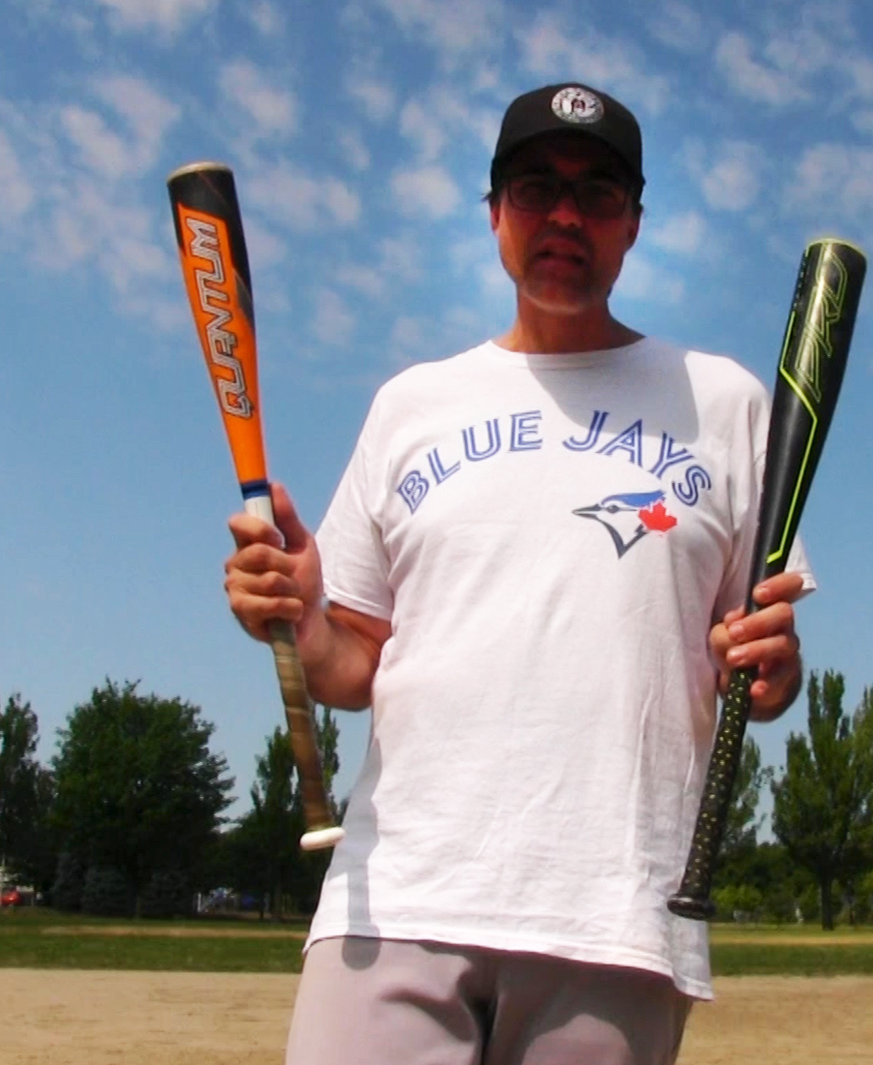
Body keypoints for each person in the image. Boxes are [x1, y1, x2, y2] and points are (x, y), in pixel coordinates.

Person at [223, 82, 812, 1065]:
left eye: (600, 192)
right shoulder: (412, 405)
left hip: (617, 914)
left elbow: (762, 669)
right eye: (537, 187)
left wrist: (771, 666)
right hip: (398, 897)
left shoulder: (727, 404)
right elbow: (351, 668)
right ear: (495, 212)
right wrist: (302, 615)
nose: (567, 215)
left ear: (635, 224)